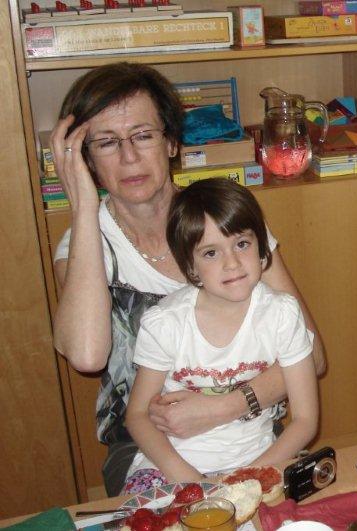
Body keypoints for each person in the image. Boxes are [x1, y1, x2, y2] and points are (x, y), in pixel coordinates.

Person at [50, 62, 326, 496]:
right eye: (106, 143)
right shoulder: (83, 245)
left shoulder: (226, 225)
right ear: (85, 159)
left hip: (251, 433)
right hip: (151, 448)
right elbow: (87, 356)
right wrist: (83, 205)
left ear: (171, 141)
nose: (129, 157)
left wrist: (224, 407)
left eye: (143, 135)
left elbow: (314, 357)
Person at [123, 178, 318, 493]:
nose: (232, 263)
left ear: (261, 248)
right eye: (211, 253)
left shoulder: (282, 314)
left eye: (242, 244)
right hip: (173, 467)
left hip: (258, 460)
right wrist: (193, 480)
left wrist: (247, 478)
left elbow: (306, 420)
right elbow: (137, 415)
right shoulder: (166, 323)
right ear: (191, 266)